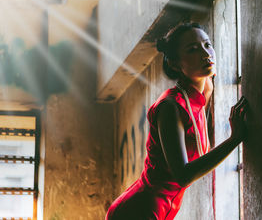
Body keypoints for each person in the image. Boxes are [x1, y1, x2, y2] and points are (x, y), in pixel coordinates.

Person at [105, 22, 248, 220]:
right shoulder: (170, 107)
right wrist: (235, 139)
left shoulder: (203, 91)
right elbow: (183, 175)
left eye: (207, 45)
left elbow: (209, 77)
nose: (205, 54)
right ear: (174, 63)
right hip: (140, 209)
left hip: (165, 208)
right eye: (192, 49)